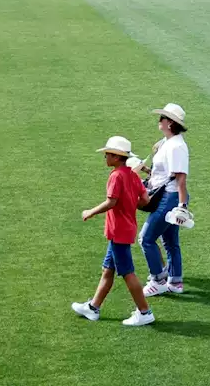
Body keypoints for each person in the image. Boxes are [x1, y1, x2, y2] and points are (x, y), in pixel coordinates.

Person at [71, 135, 155, 326]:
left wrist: (90, 212)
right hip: (126, 228)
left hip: (118, 231)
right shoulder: (133, 176)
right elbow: (145, 200)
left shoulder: (116, 176)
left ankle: (145, 312)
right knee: (107, 270)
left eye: (108, 154)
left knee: (127, 273)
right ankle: (94, 307)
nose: (105, 157)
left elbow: (111, 202)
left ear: (117, 157)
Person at [141, 103, 192, 297]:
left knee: (145, 239)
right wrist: (144, 170)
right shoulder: (168, 142)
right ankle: (175, 281)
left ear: (169, 123)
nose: (159, 121)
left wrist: (181, 205)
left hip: (169, 198)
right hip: (169, 195)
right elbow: (163, 173)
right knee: (170, 241)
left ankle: (158, 279)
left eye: (162, 118)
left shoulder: (176, 146)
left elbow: (180, 178)